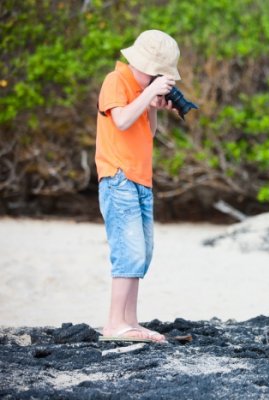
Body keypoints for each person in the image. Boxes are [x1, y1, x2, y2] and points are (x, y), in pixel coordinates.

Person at [95, 30, 181, 342]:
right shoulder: (115, 80)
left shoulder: (141, 90)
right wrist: (147, 94)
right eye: (158, 72)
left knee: (143, 252)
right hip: (118, 176)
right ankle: (114, 323)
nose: (160, 77)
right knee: (128, 250)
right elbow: (120, 120)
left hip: (141, 179)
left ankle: (129, 321)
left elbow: (149, 133)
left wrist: (153, 105)